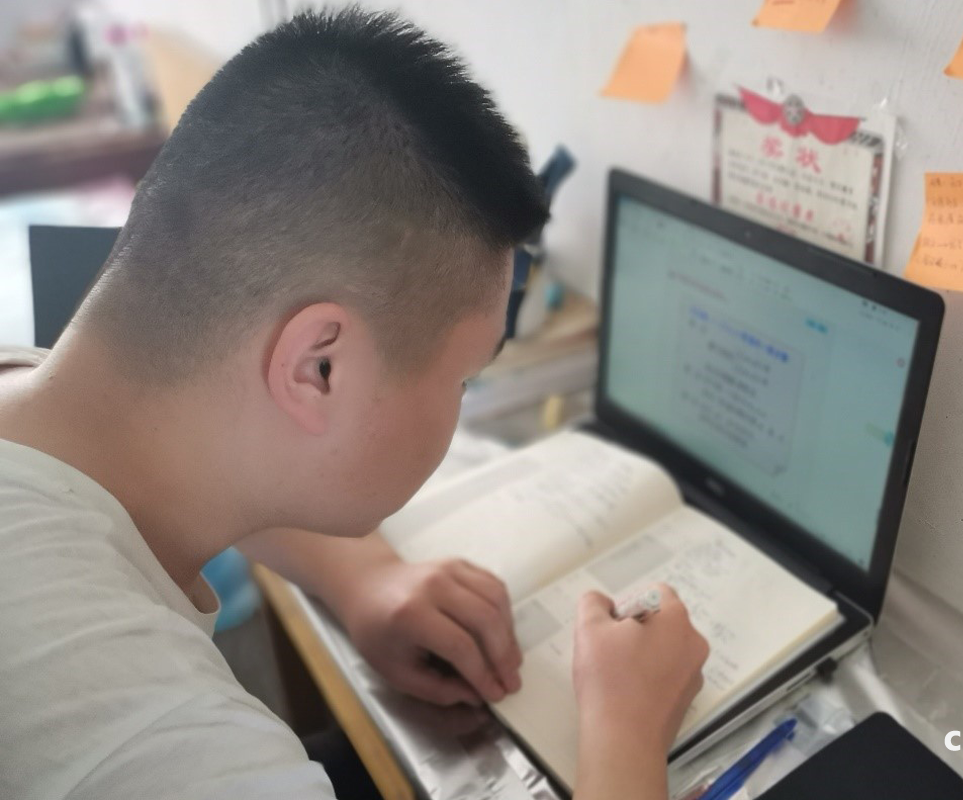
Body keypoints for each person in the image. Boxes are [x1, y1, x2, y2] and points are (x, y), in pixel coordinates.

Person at [0, 8, 708, 800]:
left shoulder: (44, 398)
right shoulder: (162, 746)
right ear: (319, 368)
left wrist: (365, 579)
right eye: (462, 377)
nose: (458, 403)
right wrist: (624, 728)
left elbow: (192, 456)